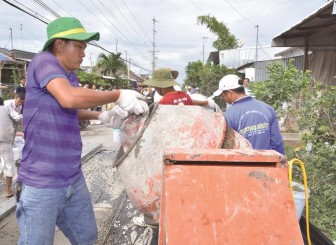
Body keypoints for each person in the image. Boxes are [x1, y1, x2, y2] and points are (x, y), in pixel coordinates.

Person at [16, 16, 148, 245]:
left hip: (72, 177)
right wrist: (117, 94)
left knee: (86, 237)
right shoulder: (44, 61)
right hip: (42, 182)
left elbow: (69, 106)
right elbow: (68, 98)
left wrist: (100, 115)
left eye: (84, 48)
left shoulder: (69, 75)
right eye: (79, 46)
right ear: (59, 44)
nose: (83, 53)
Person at [212, 74, 285, 155]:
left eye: (223, 96)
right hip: (268, 164)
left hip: (244, 165)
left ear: (229, 93)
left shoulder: (227, 117)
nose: (224, 99)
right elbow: (276, 142)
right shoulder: (268, 108)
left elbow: (227, 149)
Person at [0, 97, 23, 198]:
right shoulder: (6, 108)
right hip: (4, 139)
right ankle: (8, 191)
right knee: (8, 164)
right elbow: (18, 118)